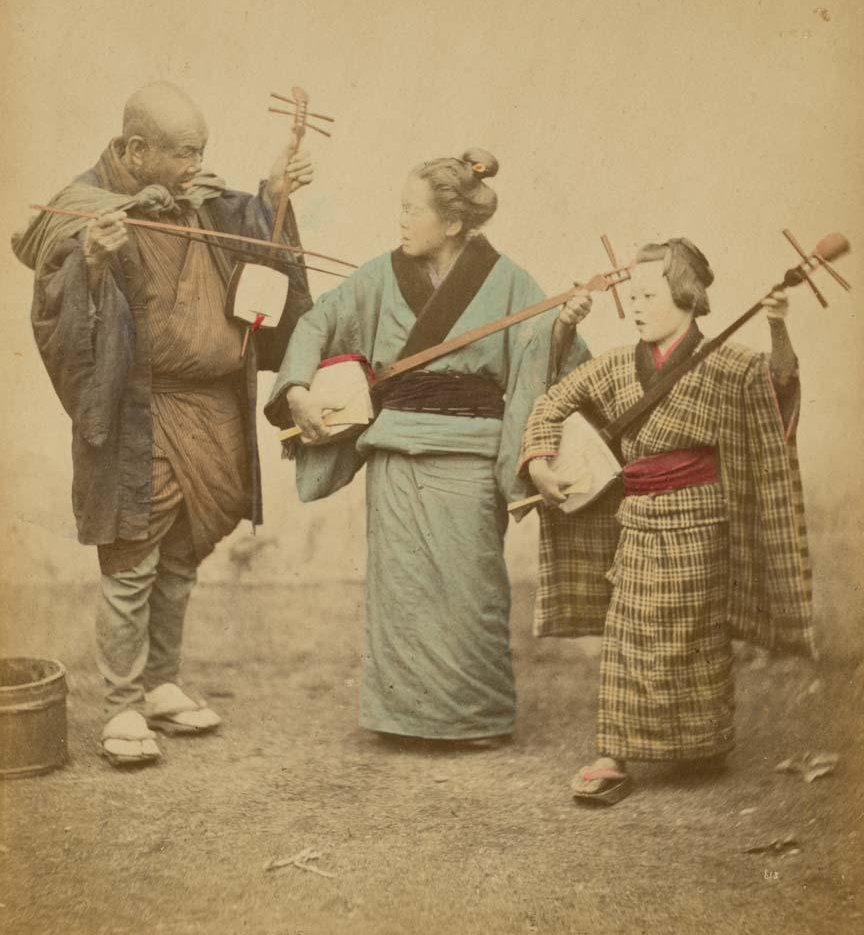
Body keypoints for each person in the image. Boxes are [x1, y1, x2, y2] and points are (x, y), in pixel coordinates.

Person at [12, 81, 315, 767]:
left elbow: (256, 231)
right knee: (132, 560)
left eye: (201, 150)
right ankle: (120, 706)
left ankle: (160, 684)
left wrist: (274, 194)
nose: (194, 165)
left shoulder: (203, 202)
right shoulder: (85, 211)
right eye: (183, 153)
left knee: (182, 555)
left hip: (213, 407)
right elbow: (54, 287)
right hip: (142, 409)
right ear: (136, 149)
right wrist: (91, 260)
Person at [265, 149, 592, 743]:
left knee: (471, 592)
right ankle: (404, 717)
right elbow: (316, 324)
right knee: (403, 589)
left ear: (454, 223)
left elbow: (542, 352)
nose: (402, 221)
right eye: (400, 208)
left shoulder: (512, 281)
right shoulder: (380, 275)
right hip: (395, 455)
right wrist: (297, 391)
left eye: (412, 210)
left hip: (469, 458)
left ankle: (474, 717)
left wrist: (563, 324)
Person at [520, 239, 814, 803]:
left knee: (694, 639)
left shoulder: (729, 365)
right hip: (638, 517)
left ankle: (699, 743)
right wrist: (538, 463)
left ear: (686, 297)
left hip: (704, 521)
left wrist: (777, 327)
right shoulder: (614, 366)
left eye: (648, 294)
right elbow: (552, 403)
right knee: (627, 632)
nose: (634, 305)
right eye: (632, 295)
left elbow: (777, 387)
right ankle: (613, 755)